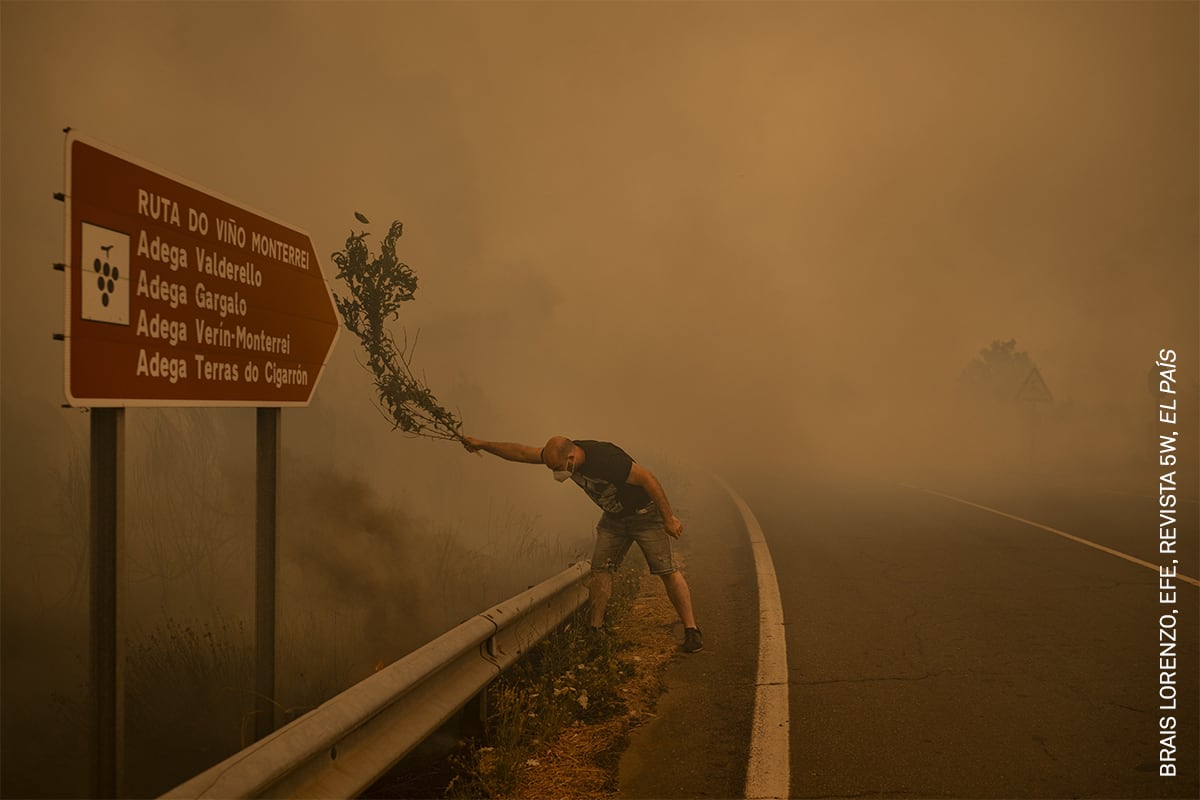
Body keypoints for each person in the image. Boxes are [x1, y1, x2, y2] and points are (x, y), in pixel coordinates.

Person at [461, 434, 703, 653]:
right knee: (600, 571)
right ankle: (594, 630)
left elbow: (649, 479)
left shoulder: (607, 459)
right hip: (614, 519)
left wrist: (668, 518)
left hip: (644, 516)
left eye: (558, 468)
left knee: (666, 570)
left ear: (572, 456)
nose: (557, 474)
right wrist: (482, 444)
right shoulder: (558, 453)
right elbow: (522, 452)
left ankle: (692, 630)